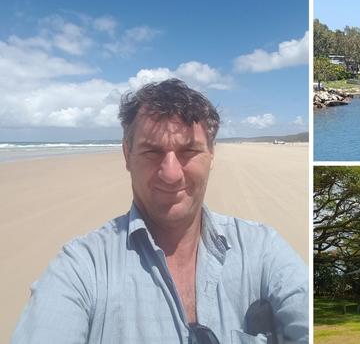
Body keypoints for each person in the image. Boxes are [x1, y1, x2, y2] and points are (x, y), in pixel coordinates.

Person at [12, 79, 308, 343]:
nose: (171, 173)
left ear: (212, 155)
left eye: (188, 151)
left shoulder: (263, 250)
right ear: (127, 155)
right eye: (152, 152)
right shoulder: (81, 268)